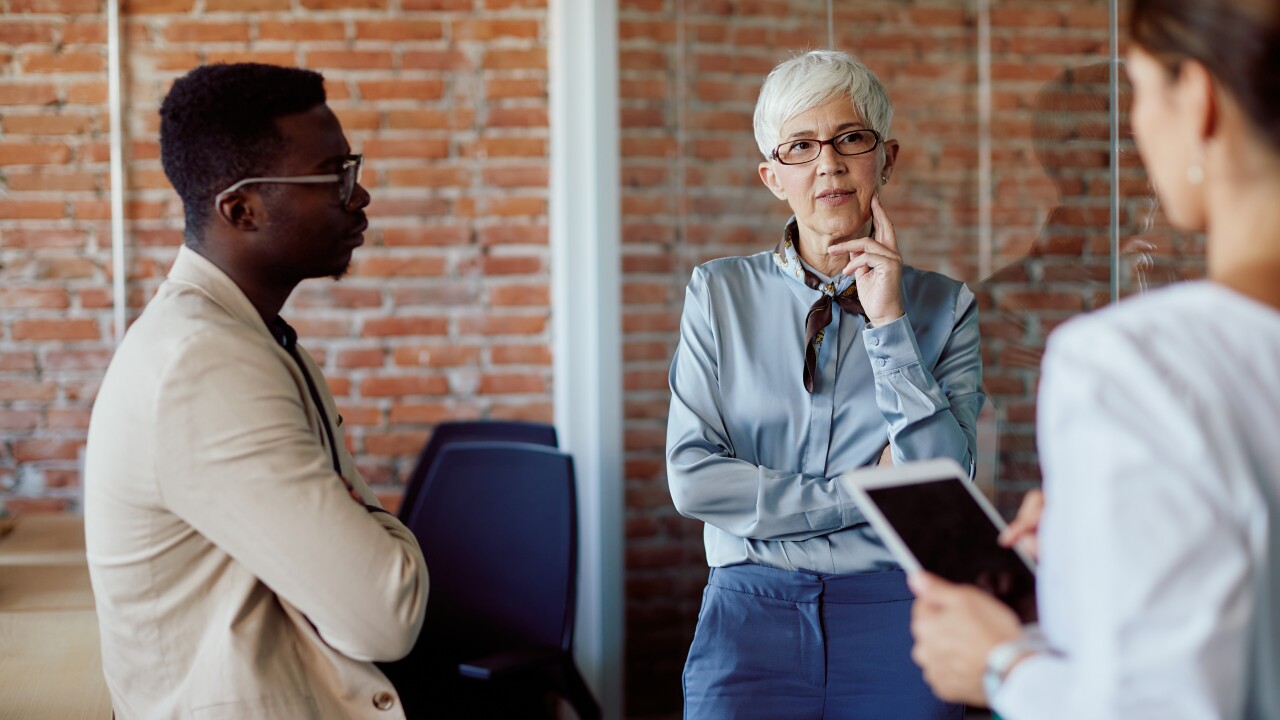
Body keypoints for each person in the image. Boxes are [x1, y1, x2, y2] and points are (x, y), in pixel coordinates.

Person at [909, 0, 1280, 717]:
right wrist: (1092, 547)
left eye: (1139, 92)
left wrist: (1003, 664)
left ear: (1198, 101)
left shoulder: (1132, 361)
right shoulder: (1028, 307)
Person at [83, 63, 429, 719]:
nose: (360, 198)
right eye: (334, 177)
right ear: (242, 209)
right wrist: (388, 531)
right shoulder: (204, 363)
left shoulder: (239, 334)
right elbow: (388, 611)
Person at [666, 49, 984, 719]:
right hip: (748, 614)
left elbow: (939, 486)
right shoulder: (717, 293)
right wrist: (860, 494)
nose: (829, 165)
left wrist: (890, 321)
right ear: (771, 176)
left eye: (851, 139)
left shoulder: (945, 307)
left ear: (886, 158)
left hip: (902, 618)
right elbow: (693, 479)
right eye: (801, 147)